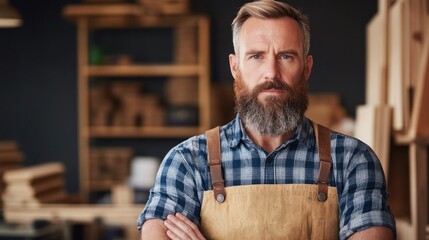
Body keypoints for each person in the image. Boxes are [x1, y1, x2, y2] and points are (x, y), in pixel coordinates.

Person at [137, 0, 396, 239]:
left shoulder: (352, 160)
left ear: (306, 68)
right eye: (256, 56)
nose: (271, 72)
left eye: (286, 56)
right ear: (235, 67)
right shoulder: (188, 161)